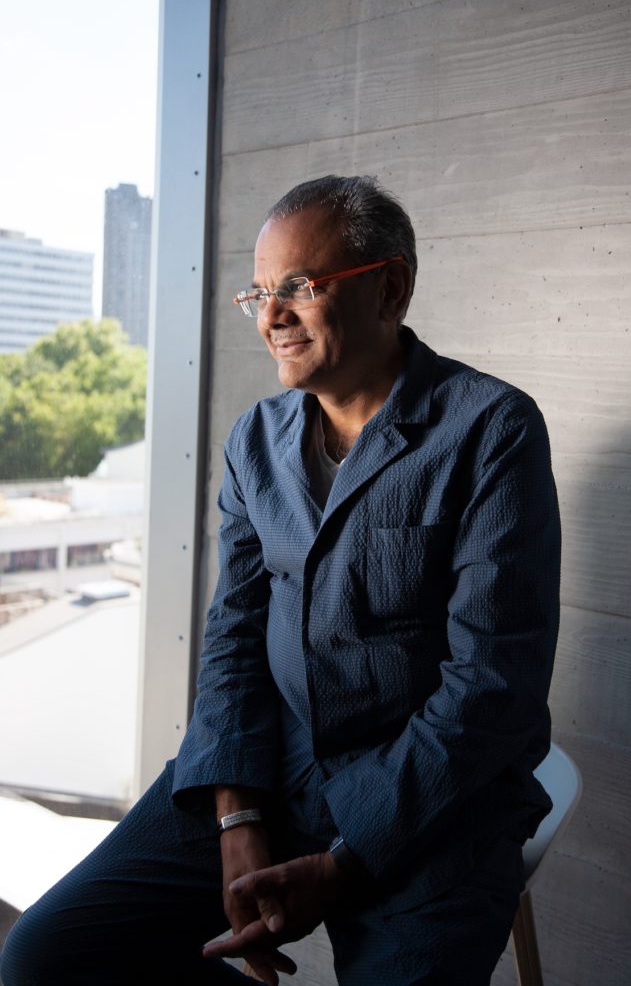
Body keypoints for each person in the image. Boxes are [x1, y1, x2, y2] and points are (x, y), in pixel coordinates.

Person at [1, 175, 561, 986]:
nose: (270, 316)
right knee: (46, 957)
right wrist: (239, 813)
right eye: (259, 293)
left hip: (435, 805)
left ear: (390, 287)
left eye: (298, 287)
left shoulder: (490, 430)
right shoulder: (255, 441)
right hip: (271, 769)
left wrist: (342, 864)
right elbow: (233, 639)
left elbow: (492, 689)